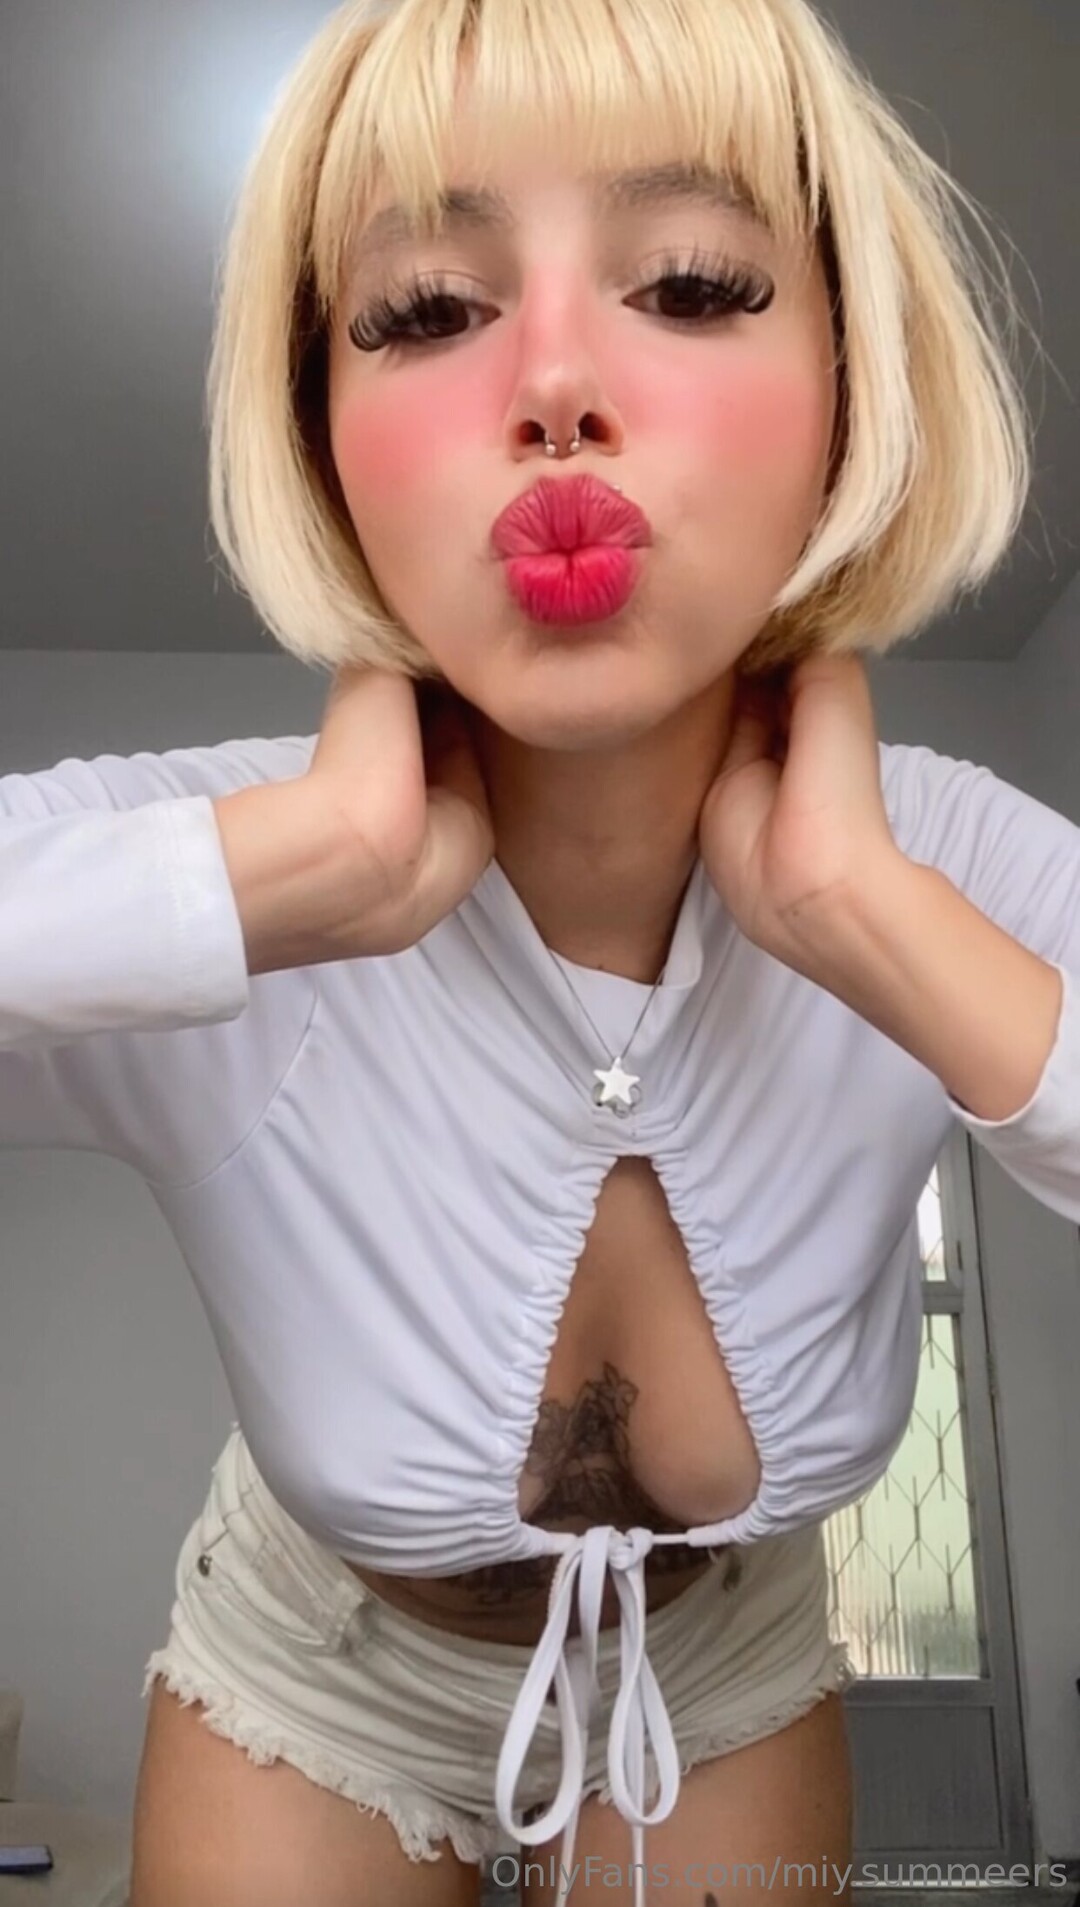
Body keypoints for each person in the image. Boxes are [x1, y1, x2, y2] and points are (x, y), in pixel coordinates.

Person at [3, 0, 1077, 1901]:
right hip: (314, 1676)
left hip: (727, 1671)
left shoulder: (947, 866)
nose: (557, 383)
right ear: (321, 439)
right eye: (427, 310)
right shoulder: (226, 852)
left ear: (854, 380)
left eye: (691, 281)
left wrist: (874, 924)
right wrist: (286, 874)